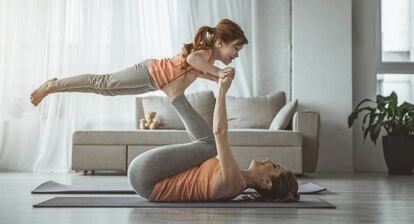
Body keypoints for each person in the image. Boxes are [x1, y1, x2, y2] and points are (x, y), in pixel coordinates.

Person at [128, 71, 300, 202]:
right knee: (208, 147)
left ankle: (175, 94)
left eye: (275, 166)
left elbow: (220, 133)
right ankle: (175, 94)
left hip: (146, 177)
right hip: (146, 175)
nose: (270, 160)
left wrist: (222, 90)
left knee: (211, 146)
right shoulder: (235, 179)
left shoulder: (233, 183)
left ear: (267, 182)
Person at [30, 19, 248, 106]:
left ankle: (57, 87)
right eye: (236, 48)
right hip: (149, 71)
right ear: (220, 43)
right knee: (103, 82)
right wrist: (220, 73)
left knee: (105, 91)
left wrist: (219, 79)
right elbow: (192, 59)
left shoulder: (206, 60)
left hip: (154, 82)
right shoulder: (203, 54)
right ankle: (54, 85)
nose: (236, 54)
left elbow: (201, 72)